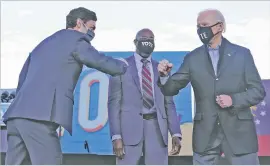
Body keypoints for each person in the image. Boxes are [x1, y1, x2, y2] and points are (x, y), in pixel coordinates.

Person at [3, 7, 128, 165]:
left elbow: (22, 80)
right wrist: (123, 65)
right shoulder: (76, 40)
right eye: (91, 28)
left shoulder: (42, 44)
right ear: (79, 23)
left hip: (16, 118)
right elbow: (99, 60)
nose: (93, 33)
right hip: (39, 120)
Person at [157, 9, 266, 165]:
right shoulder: (192, 58)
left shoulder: (242, 54)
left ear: (219, 27)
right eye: (198, 26)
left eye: (205, 25)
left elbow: (258, 91)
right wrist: (164, 76)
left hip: (239, 135)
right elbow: (170, 89)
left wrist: (233, 100)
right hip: (205, 137)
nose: (200, 30)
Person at [108, 28, 182, 165]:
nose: (147, 42)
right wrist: (116, 136)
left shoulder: (161, 68)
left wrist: (176, 133)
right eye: (144, 39)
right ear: (135, 42)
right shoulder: (120, 66)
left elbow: (169, 103)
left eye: (151, 40)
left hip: (157, 129)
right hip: (128, 131)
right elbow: (114, 104)